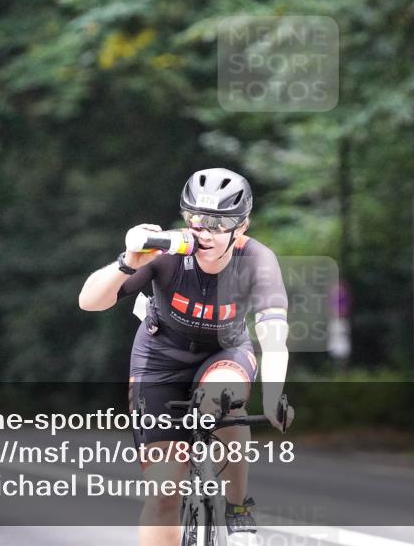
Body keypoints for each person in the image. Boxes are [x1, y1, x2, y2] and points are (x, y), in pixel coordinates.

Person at [79, 168, 293, 546]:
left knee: (222, 396)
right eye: (195, 219)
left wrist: (275, 395)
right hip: (159, 358)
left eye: (217, 223)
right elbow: (89, 302)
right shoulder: (167, 253)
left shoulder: (257, 260)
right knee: (163, 494)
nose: (203, 232)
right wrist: (129, 261)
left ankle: (238, 503)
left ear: (240, 228)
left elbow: (274, 338)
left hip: (224, 351)